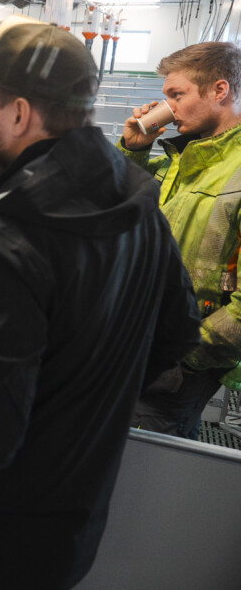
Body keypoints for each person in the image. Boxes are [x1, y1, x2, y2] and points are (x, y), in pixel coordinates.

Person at [0, 16, 201, 590]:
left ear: (20, 114)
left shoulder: (5, 242)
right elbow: (180, 333)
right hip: (67, 532)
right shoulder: (137, 206)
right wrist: (79, 407)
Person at [119, 42, 241, 439]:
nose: (168, 108)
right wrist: (134, 151)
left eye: (177, 95)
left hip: (176, 363)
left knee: (143, 456)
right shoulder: (183, 158)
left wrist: (178, 359)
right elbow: (113, 207)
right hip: (138, 341)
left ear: (219, 90)